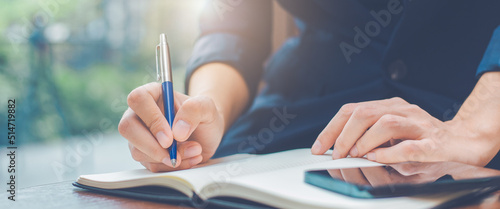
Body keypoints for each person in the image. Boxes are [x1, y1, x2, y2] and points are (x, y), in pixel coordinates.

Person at [118, 0, 500, 172]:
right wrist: (208, 109)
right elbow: (233, 27)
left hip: (468, 118)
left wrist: (474, 130)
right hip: (292, 123)